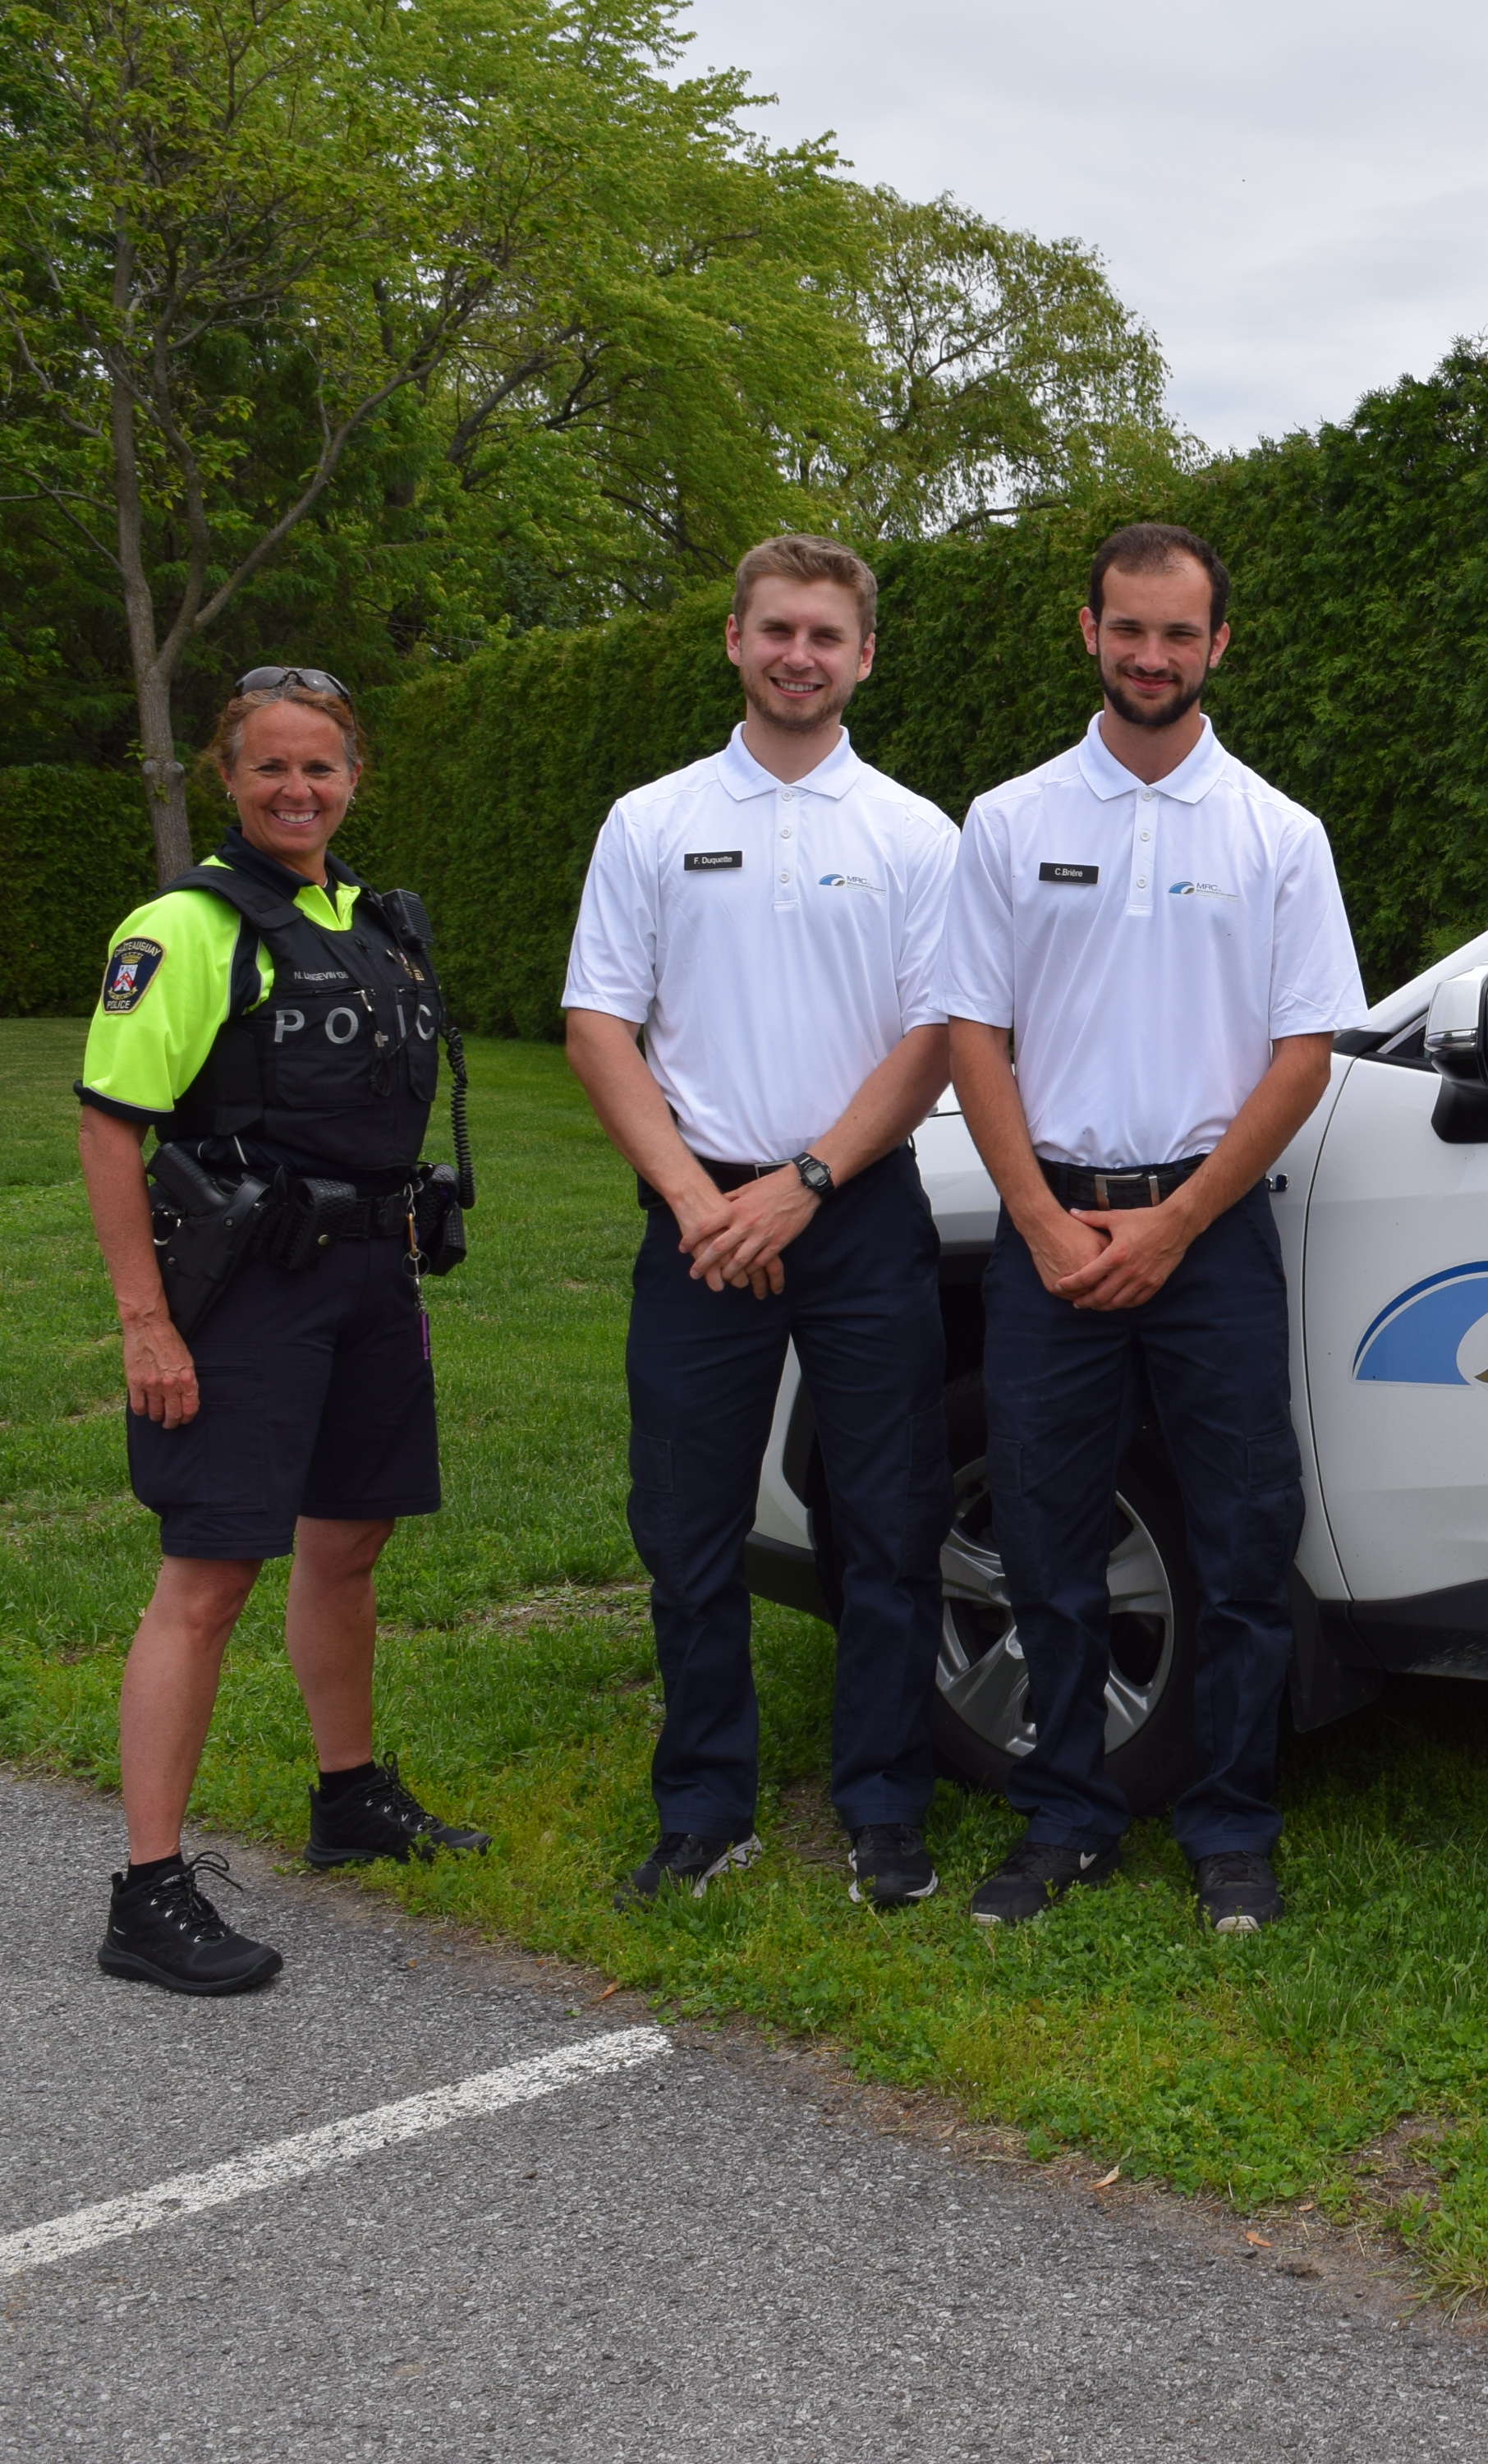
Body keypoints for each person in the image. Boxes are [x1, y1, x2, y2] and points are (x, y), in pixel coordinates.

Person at [940, 521, 1363, 1933]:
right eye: (1130, 629)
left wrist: (1179, 1222)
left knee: (1244, 1543)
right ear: (1089, 633)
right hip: (1050, 1227)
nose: (1152, 657)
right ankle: (1065, 1816)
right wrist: (1044, 1225)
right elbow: (972, 1036)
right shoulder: (1008, 823)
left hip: (1212, 1236)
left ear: (1218, 646)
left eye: (1179, 634)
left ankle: (1232, 1825)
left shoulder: (1278, 836)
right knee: (1047, 1540)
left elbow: (1303, 1056)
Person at [73, 670, 489, 1994]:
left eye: (321, 769)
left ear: (354, 775)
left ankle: (348, 1797)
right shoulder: (186, 928)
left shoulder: (373, 919)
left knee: (348, 1542)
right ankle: (148, 1891)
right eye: (271, 770)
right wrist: (146, 1323)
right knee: (208, 1572)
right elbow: (108, 1126)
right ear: (227, 777)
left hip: (371, 1271)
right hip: (249, 1285)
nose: (297, 791)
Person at [563, 535, 961, 1910]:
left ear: (865, 657)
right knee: (685, 1522)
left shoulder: (916, 832)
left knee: (889, 1515)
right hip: (695, 1215)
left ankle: (885, 1805)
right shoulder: (650, 819)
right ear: (734, 640)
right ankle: (705, 1806)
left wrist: (804, 1183)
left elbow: (936, 1037)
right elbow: (599, 1022)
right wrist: (693, 1195)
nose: (801, 655)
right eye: (777, 629)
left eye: (827, 636)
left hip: (855, 1211)